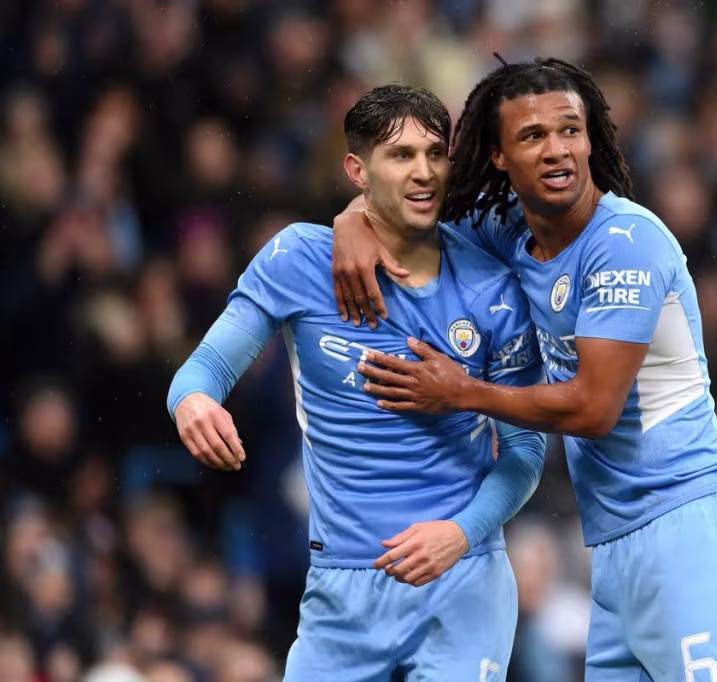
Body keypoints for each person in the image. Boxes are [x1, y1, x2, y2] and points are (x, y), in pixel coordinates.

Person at [331, 58, 717, 681]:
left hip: (695, 526)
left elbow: (594, 409)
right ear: (497, 156)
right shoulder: (513, 234)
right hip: (617, 543)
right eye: (532, 136)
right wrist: (351, 221)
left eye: (569, 130)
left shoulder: (627, 242)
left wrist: (464, 392)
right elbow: (406, 215)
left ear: (591, 137)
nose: (557, 150)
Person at [166, 84, 546, 682]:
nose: (423, 172)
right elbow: (206, 367)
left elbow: (526, 452)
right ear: (357, 168)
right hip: (342, 590)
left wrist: (460, 533)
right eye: (400, 156)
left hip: (463, 580)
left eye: (435, 153)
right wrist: (192, 401)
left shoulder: (493, 291)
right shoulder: (298, 260)